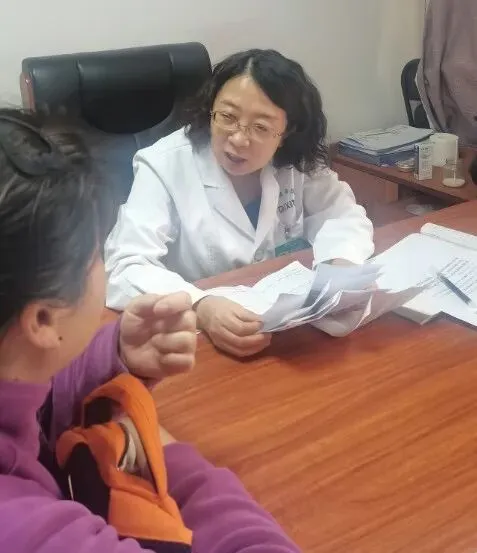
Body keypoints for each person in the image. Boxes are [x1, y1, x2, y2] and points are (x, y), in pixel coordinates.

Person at [0, 108, 301, 553]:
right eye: (96, 255)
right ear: (43, 320)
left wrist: (114, 354)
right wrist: (166, 457)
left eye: (262, 126)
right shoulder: (21, 525)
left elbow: (28, 404)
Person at [105, 48, 374, 358]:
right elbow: (126, 266)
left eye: (261, 127)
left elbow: (341, 216)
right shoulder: (164, 165)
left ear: (287, 132)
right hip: (198, 345)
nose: (238, 139)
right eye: (228, 117)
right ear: (211, 109)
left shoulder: (295, 160)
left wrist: (340, 268)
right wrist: (200, 306)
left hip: (288, 335)